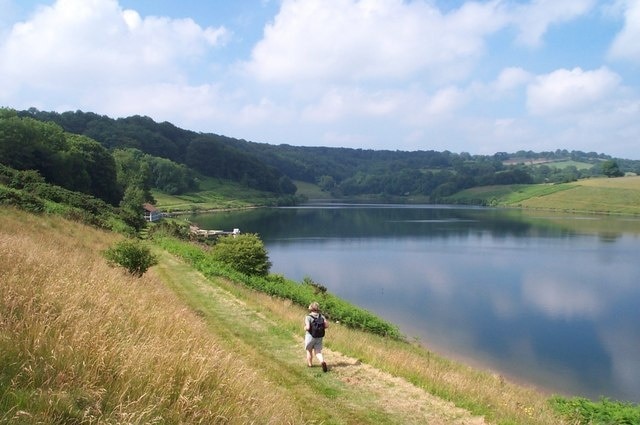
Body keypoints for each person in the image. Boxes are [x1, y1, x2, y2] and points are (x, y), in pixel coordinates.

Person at [304, 301, 329, 372]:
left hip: (310, 336)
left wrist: (305, 327)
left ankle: (310, 365)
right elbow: (326, 326)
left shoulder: (308, 317)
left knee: (309, 351)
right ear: (317, 308)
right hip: (319, 337)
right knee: (318, 352)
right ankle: (322, 361)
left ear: (311, 308)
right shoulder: (322, 316)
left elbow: (308, 328)